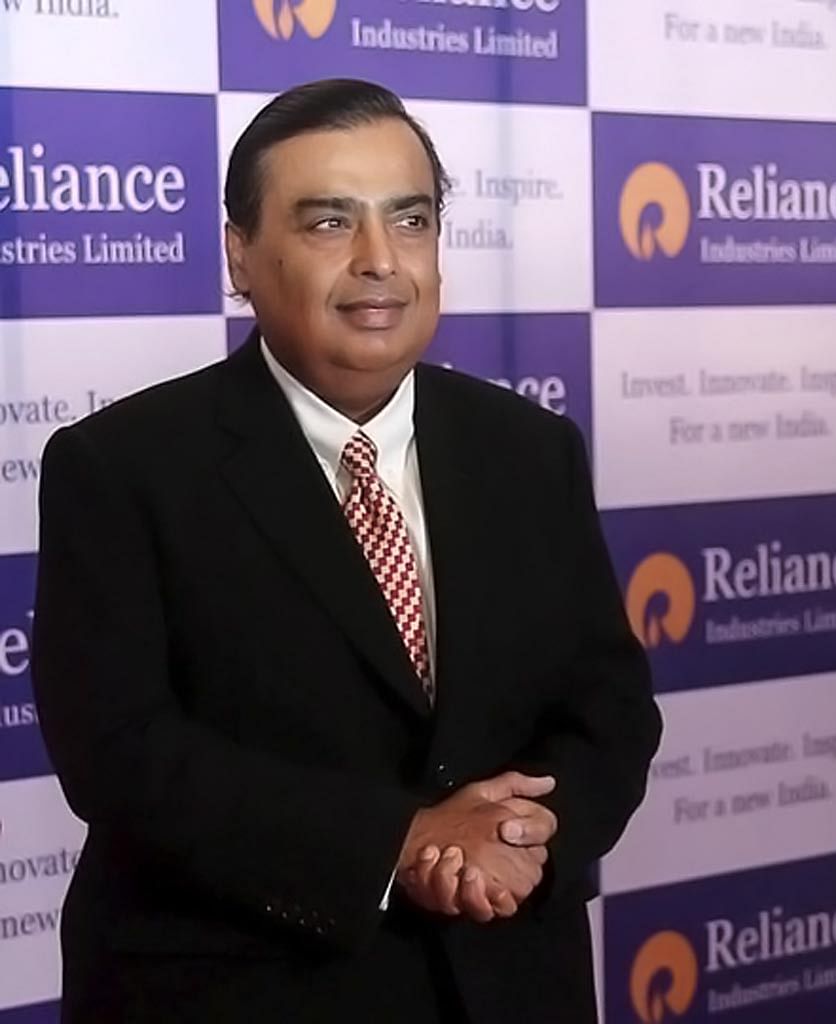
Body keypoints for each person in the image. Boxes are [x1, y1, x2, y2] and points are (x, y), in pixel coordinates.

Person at [30, 78, 662, 1023]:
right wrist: (398, 841)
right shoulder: (120, 468)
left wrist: (527, 835)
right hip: (242, 990)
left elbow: (609, 708)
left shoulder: (531, 451)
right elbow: (120, 754)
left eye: (409, 220)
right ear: (241, 254)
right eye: (329, 223)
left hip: (507, 981)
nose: (380, 262)